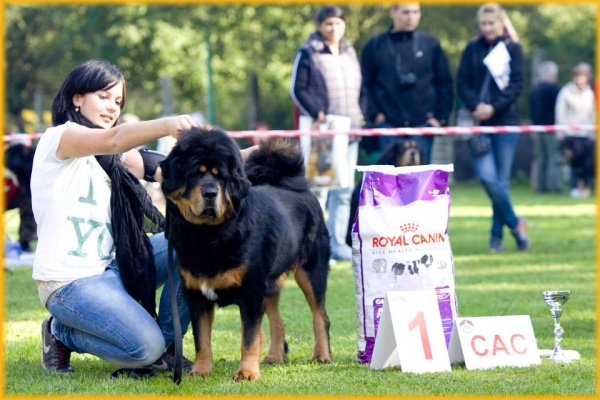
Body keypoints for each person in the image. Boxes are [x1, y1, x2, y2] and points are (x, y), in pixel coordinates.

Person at [31, 59, 197, 375]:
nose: (112, 108)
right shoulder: (61, 139)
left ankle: (168, 344)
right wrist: (165, 124)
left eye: (118, 101)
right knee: (142, 349)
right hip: (68, 282)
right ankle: (60, 332)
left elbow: (171, 170)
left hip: (112, 266)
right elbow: (114, 138)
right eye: (104, 96)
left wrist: (243, 157)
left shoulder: (114, 158)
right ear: (76, 97)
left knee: (192, 238)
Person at [290, 5, 364, 261]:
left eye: (338, 24)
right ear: (319, 25)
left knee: (344, 190)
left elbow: (359, 88)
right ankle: (314, 248)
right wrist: (317, 111)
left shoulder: (350, 51)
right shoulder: (308, 51)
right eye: (329, 24)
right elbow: (297, 89)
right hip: (323, 133)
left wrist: (360, 114)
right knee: (319, 191)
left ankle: (337, 244)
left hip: (350, 131)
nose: (334, 29)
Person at [456, 3, 529, 254]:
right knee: (488, 178)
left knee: (502, 182)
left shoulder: (514, 49)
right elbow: (462, 81)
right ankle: (516, 226)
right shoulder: (471, 49)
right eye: (483, 24)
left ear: (501, 23)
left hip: (505, 121)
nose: (487, 28)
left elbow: (517, 84)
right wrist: (477, 105)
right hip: (478, 123)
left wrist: (494, 108)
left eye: (491, 23)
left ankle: (495, 239)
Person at [361, 2, 453, 163]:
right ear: (393, 13)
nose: (411, 17)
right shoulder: (376, 45)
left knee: (419, 180)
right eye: (406, 12)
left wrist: (441, 118)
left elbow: (444, 82)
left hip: (423, 124)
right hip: (388, 124)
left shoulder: (430, 43)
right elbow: (365, 83)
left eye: (415, 12)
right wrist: (375, 114)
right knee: (390, 180)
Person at [555, 62, 596, 198]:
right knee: (574, 164)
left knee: (587, 164)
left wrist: (593, 133)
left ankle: (586, 188)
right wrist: (561, 135)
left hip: (587, 134)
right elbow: (560, 114)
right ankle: (574, 188)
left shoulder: (590, 93)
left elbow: (593, 113)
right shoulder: (566, 92)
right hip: (570, 134)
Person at [529, 61, 562, 193]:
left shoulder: (534, 89)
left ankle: (539, 187)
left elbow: (532, 111)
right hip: (551, 128)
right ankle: (554, 187)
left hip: (537, 128)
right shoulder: (553, 90)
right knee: (553, 158)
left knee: (540, 158)